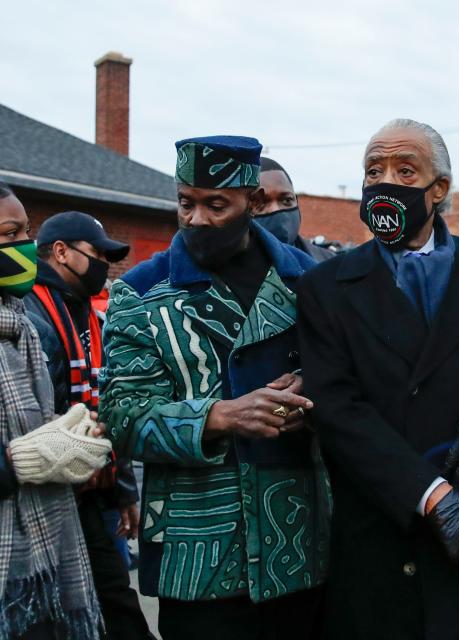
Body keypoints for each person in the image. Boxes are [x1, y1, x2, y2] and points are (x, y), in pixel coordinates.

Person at [297, 118, 459, 640]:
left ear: (438, 189)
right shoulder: (326, 286)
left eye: (404, 169)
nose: (384, 182)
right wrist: (431, 495)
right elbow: (337, 408)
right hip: (386, 528)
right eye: (374, 170)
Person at [99, 136, 332, 640]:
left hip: (299, 543)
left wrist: (314, 387)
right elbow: (123, 416)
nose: (196, 218)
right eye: (187, 202)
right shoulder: (141, 292)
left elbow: (352, 378)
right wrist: (218, 417)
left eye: (215, 204)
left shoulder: (309, 283)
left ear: (252, 202)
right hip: (198, 555)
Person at [21, 211, 151, 639]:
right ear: (60, 252)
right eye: (97, 255)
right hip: (47, 495)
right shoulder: (30, 313)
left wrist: (123, 489)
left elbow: (106, 407)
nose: (104, 266)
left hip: (92, 493)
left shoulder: (88, 316)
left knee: (115, 602)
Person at [0, 181, 110, 639]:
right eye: (10, 235)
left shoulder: (19, 324)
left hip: (47, 553)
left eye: (27, 232)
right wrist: (18, 462)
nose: (26, 247)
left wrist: (66, 435)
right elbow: (21, 453)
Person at [254, 157, 335, 261]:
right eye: (262, 203)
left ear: (296, 201)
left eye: (287, 200)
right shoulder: (230, 270)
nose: (276, 210)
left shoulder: (328, 263)